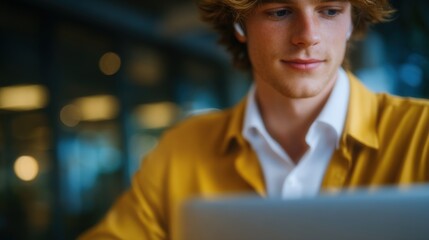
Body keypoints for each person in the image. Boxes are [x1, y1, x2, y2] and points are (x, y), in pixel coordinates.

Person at [79, 0, 429, 239]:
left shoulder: (422, 135)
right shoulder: (180, 150)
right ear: (239, 22)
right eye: (279, 11)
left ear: (352, 20)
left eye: (330, 10)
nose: (308, 34)